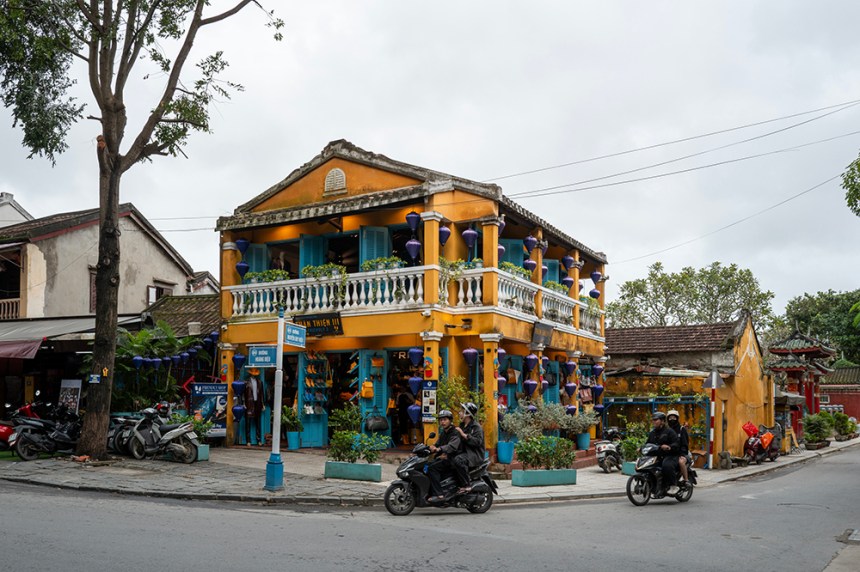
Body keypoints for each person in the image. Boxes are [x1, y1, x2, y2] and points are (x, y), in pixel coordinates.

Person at [427, 410, 462, 502]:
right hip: (445, 458)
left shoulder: (455, 432)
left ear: (450, 420)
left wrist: (439, 449)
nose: (442, 422)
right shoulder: (443, 433)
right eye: (441, 420)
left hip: (453, 459)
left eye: (445, 419)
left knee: (432, 468)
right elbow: (437, 444)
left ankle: (439, 495)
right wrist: (429, 448)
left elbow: (451, 446)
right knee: (428, 464)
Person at [453, 402, 485, 494]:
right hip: (464, 452)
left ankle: (466, 485)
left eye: (462, 411)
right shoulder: (462, 425)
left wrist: (464, 435)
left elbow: (477, 442)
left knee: (458, 460)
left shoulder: (476, 427)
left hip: (474, 454)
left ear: (467, 413)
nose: (460, 413)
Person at [646, 411, 680, 493]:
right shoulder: (652, 433)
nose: (654, 422)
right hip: (657, 456)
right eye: (653, 420)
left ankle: (673, 485)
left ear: (662, 421)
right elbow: (648, 443)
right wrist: (641, 448)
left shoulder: (670, 432)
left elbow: (676, 443)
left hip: (670, 455)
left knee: (666, 465)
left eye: (656, 420)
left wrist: (669, 447)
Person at [667, 409, 691, 485]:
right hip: (670, 453)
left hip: (681, 453)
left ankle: (686, 480)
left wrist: (682, 454)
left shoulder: (681, 429)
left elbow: (685, 443)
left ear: (677, 418)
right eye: (670, 418)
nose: (672, 419)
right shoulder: (666, 430)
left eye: (674, 417)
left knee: (681, 462)